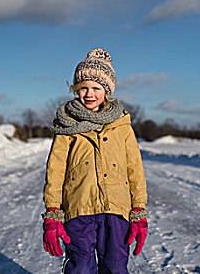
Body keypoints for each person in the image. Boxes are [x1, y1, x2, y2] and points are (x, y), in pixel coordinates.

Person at [42, 48, 149, 273]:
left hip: (117, 211)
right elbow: (56, 170)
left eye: (96, 88)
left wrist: (138, 209)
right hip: (79, 209)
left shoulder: (121, 125)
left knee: (116, 267)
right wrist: (53, 212)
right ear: (75, 89)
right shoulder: (67, 125)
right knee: (80, 267)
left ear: (107, 90)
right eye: (83, 88)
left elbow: (134, 169)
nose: (89, 94)